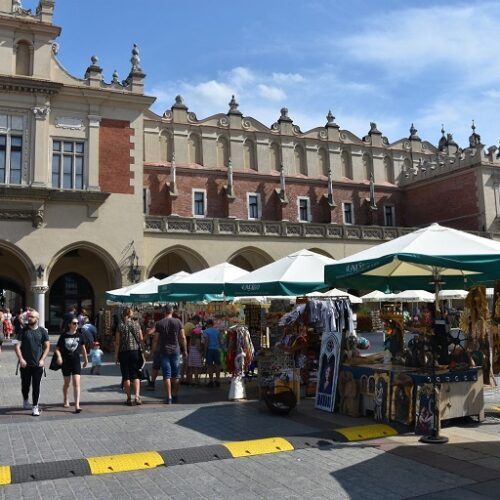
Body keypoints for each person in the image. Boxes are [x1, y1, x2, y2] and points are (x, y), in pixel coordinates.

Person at [14, 309, 50, 416]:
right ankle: (25, 400)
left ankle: (35, 407)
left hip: (38, 365)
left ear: (37, 319)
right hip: (25, 364)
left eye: (32, 317)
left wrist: (43, 359)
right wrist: (21, 359)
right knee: (25, 385)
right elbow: (17, 346)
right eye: (29, 317)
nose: (29, 318)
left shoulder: (43, 331)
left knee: (36, 386)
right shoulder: (23, 330)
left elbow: (47, 346)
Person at [151, 304, 186, 404]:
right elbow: (182, 337)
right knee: (176, 375)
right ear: (172, 311)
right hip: (175, 351)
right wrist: (185, 351)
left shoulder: (159, 323)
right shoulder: (178, 321)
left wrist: (153, 351)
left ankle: (169, 397)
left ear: (164, 312)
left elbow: (155, 339)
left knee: (167, 375)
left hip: (164, 351)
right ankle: (175, 395)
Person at [55, 317, 88, 413]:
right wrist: (59, 357)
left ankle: (77, 405)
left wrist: (86, 360)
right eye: (74, 323)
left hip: (76, 362)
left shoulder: (80, 335)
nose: (76, 325)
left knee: (76, 383)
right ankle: (66, 399)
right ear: (69, 324)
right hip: (65, 362)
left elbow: (83, 348)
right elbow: (57, 349)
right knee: (67, 383)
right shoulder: (63, 336)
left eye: (77, 323)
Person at [115, 307, 143, 406]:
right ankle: (137, 396)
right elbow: (141, 338)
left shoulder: (120, 326)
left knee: (126, 376)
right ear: (131, 314)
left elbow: (118, 342)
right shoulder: (136, 324)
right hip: (135, 352)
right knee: (135, 374)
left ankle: (129, 398)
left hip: (123, 352)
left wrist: (116, 355)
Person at [202, 319, 223, 388]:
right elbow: (220, 341)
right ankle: (217, 380)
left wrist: (204, 352)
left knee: (210, 366)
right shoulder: (217, 331)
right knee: (217, 366)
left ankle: (211, 381)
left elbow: (206, 342)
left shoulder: (206, 331)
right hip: (217, 349)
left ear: (207, 324)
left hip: (210, 350)